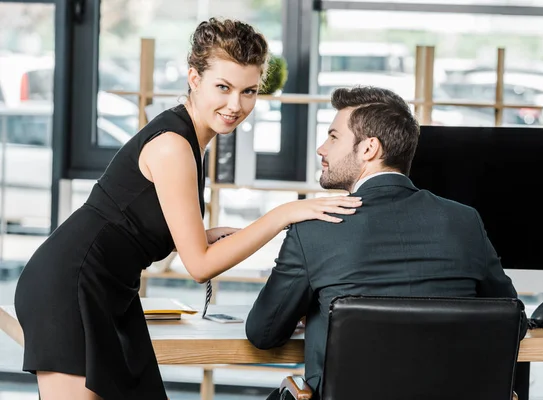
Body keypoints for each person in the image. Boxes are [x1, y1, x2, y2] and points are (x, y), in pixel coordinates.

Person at [13, 18, 362, 400]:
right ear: (194, 78)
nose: (235, 105)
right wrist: (283, 214)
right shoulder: (175, 145)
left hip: (108, 288)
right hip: (71, 284)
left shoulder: (191, 139)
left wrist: (212, 235)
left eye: (248, 91)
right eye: (223, 88)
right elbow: (199, 266)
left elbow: (144, 227)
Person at [245, 86, 526, 400]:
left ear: (368, 149)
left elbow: (263, 333)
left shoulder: (315, 227)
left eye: (334, 137)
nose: (322, 149)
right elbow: (514, 323)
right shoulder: (464, 221)